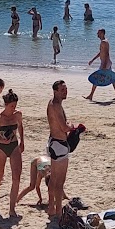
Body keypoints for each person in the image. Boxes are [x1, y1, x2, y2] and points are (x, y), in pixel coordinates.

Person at [45, 80, 83, 220]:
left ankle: (51, 208)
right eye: (62, 90)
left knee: (53, 179)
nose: (65, 92)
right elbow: (64, 127)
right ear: (55, 91)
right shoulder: (55, 106)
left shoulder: (52, 103)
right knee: (59, 181)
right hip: (59, 144)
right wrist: (72, 125)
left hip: (54, 142)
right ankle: (58, 211)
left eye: (66, 89)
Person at [0, 90, 25, 219]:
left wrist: (22, 141)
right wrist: (1, 140)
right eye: (11, 106)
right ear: (6, 104)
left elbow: (20, 126)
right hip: (1, 148)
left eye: (15, 105)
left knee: (16, 178)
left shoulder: (18, 114)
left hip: (14, 146)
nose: (13, 108)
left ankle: (11, 208)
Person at [85, 29, 115, 102]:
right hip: (106, 62)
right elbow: (101, 52)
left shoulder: (104, 42)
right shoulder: (103, 42)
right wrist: (92, 60)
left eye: (98, 33)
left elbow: (106, 54)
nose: (97, 34)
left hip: (105, 63)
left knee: (97, 77)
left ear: (102, 33)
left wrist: (104, 66)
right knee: (112, 79)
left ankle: (91, 95)